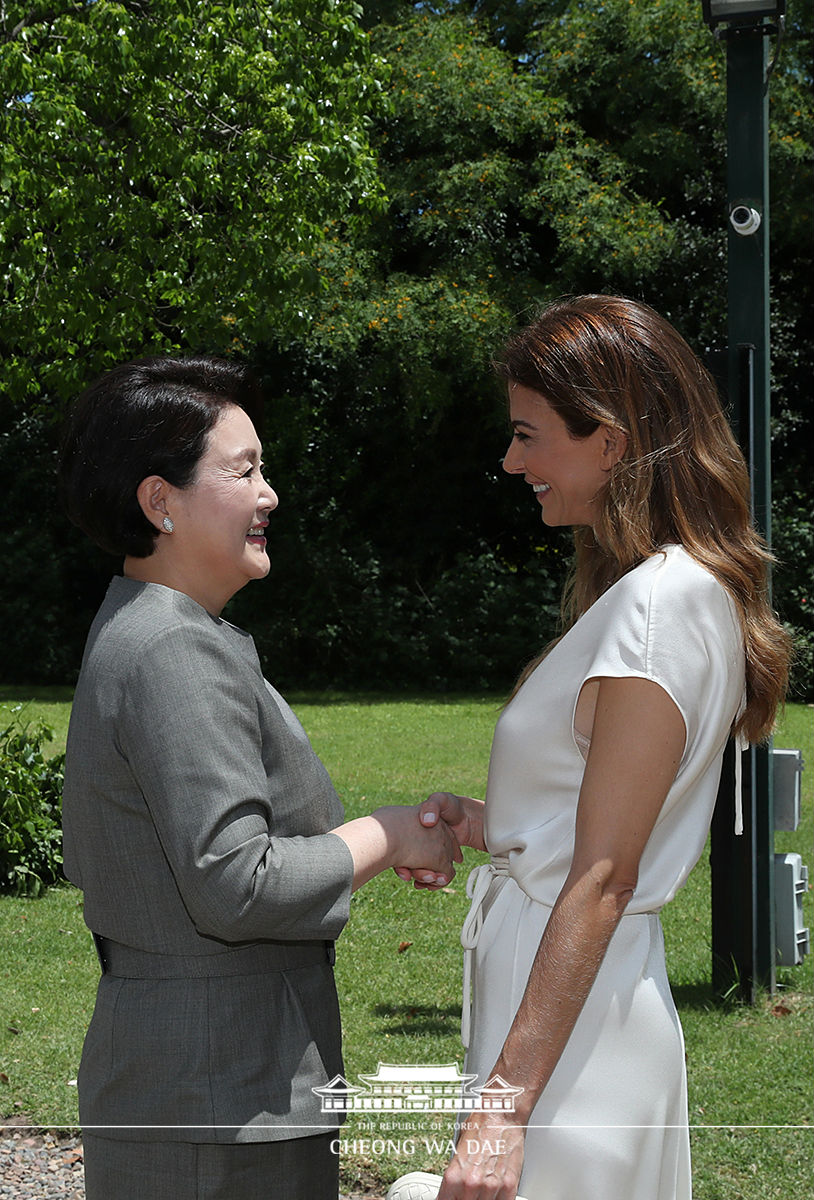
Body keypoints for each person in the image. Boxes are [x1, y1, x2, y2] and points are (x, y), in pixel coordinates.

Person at [404, 295, 791, 1199]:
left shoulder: (660, 606)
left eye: (529, 434)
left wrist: (501, 1115)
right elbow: (599, 831)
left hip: (576, 1033)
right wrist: (491, 825)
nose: (512, 461)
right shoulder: (660, 595)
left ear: (610, 440)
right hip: (571, 1005)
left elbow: (606, 878)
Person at [57, 354, 461, 1200]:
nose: (269, 493)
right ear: (159, 501)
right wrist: (385, 834)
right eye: (243, 471)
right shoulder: (174, 648)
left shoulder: (150, 627)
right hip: (221, 1099)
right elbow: (236, 883)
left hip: (197, 1084)